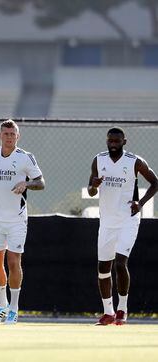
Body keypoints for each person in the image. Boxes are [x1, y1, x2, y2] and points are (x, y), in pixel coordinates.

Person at [0, 120, 45, 325]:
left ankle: (14, 307)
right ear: (0, 135)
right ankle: (2, 306)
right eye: (6, 134)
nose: (9, 137)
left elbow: (41, 182)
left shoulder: (25, 158)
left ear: (18, 136)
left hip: (17, 219)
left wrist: (27, 183)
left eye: (13, 134)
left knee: (14, 262)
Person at [87, 127, 157, 325]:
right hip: (107, 221)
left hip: (128, 219)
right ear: (107, 141)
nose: (113, 144)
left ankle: (122, 309)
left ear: (124, 142)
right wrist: (94, 185)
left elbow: (155, 182)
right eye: (110, 141)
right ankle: (108, 312)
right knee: (103, 268)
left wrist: (140, 203)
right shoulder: (98, 160)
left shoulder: (134, 161)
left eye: (117, 141)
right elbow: (91, 190)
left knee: (120, 263)